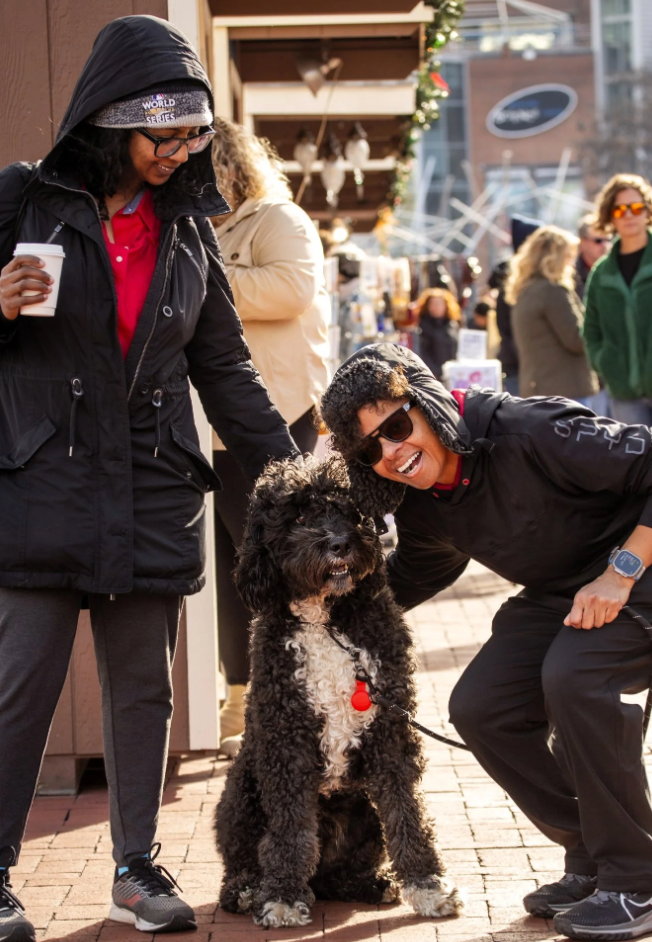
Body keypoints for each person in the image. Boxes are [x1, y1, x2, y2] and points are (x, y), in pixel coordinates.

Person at [0, 16, 298, 940]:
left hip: (153, 490)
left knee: (144, 694)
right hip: (42, 484)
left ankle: (135, 868)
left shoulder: (188, 232)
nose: (176, 154)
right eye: (159, 136)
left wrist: (297, 476)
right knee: (19, 688)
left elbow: (229, 372)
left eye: (192, 136)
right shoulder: (21, 200)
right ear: (106, 122)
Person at [321, 341, 652, 941]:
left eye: (397, 424)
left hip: (638, 572)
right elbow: (423, 567)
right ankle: (594, 853)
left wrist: (621, 570)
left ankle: (638, 876)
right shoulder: (418, 495)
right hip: (561, 592)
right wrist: (330, 619)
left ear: (424, 401)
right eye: (371, 447)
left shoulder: (533, 430)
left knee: (574, 676)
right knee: (482, 707)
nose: (393, 451)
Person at [210, 119, 329, 753]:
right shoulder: (210, 231)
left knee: (274, 562)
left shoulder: (277, 219)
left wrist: (203, 280)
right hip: (214, 428)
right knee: (236, 568)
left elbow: (292, 288)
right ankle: (243, 699)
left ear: (227, 166)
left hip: (273, 417)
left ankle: (293, 700)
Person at [583, 173, 652, 426]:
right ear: (611, 216)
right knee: (638, 464)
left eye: (636, 207)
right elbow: (590, 329)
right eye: (620, 209)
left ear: (647, 211)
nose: (629, 215)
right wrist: (605, 363)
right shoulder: (602, 272)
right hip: (625, 394)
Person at [506, 225, 598, 405]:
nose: (571, 263)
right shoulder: (553, 291)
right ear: (555, 258)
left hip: (537, 387)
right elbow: (577, 340)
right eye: (568, 256)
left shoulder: (526, 291)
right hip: (567, 389)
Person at [414, 287, 460, 381]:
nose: (436, 307)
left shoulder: (452, 325)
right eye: (433, 304)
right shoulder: (423, 326)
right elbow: (422, 352)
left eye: (439, 304)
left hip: (452, 374)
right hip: (433, 376)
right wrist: (435, 372)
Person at [575, 214, 610, 300]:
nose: (605, 245)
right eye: (598, 241)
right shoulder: (569, 272)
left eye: (608, 240)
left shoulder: (612, 272)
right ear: (583, 242)